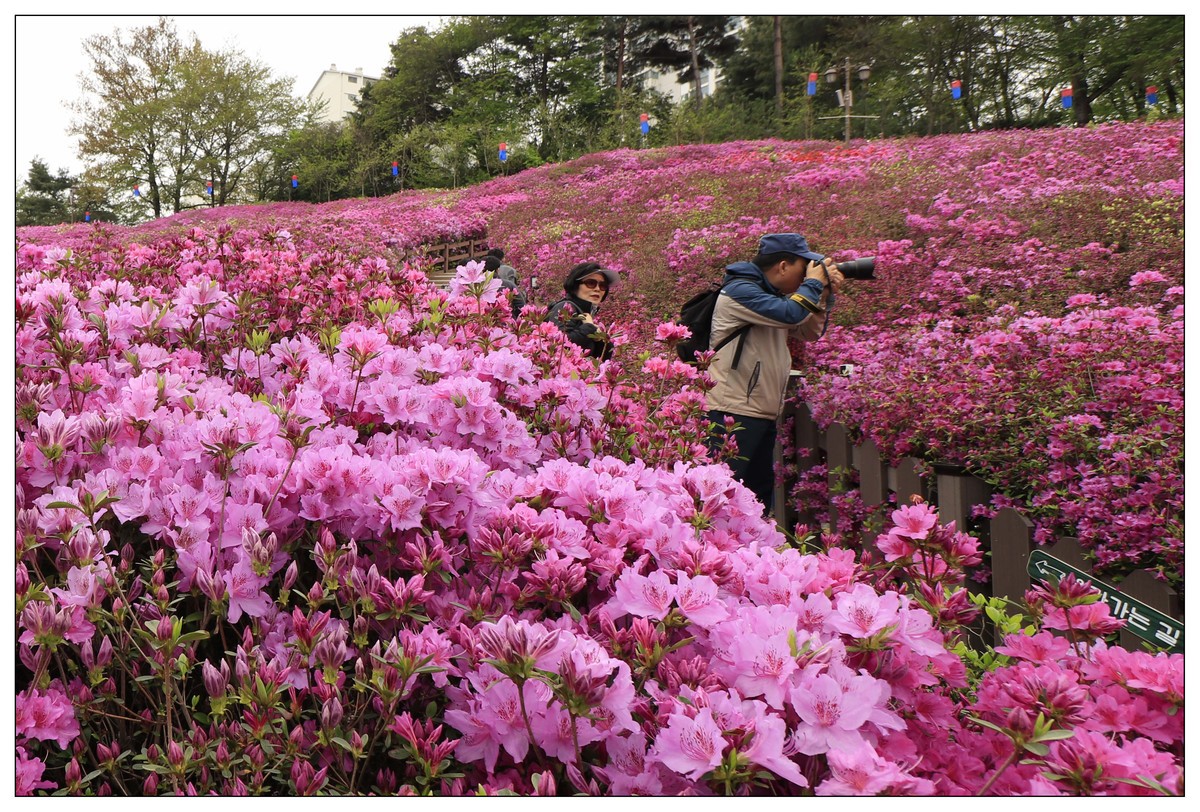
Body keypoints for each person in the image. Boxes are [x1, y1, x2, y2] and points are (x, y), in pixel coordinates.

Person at [706, 233, 844, 511]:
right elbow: (791, 314)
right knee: (721, 498)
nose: (805, 275)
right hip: (732, 410)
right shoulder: (741, 291)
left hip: (759, 410)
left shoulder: (772, 299)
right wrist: (814, 284)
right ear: (782, 266)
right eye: (802, 268)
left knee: (755, 500)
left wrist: (823, 293)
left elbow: (808, 331)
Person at [545, 261, 619, 360]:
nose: (597, 289)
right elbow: (559, 344)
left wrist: (600, 337)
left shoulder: (585, 314)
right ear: (575, 286)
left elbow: (602, 359)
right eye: (591, 283)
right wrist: (589, 328)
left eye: (603, 286)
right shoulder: (565, 308)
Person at [483, 251, 527, 318]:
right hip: (506, 321)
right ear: (498, 270)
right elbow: (521, 306)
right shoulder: (508, 284)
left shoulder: (476, 286)